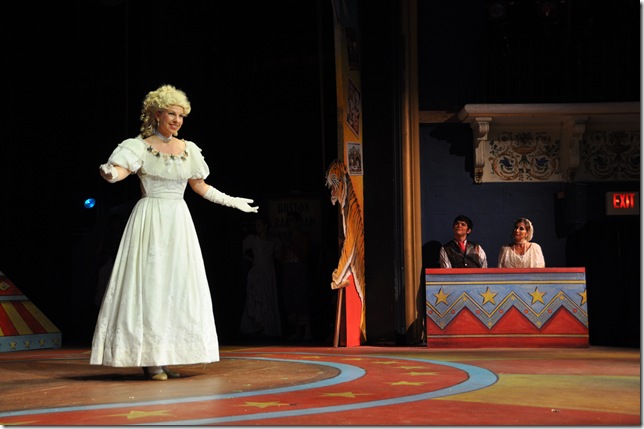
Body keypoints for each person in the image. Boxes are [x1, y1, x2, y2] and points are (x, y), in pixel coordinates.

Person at [90, 84, 258, 381]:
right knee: (151, 286)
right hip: (151, 219)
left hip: (179, 222)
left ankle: (167, 356)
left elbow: (200, 186)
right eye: (171, 113)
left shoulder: (188, 149)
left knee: (176, 287)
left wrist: (233, 202)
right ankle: (150, 359)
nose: (177, 119)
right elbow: (121, 170)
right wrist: (110, 173)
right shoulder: (139, 146)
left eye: (181, 115)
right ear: (157, 115)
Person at [239, 217, 282, 338]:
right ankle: (257, 326)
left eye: (259, 224)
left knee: (268, 296)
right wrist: (252, 260)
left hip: (268, 270)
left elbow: (278, 254)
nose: (257, 227)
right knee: (257, 296)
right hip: (257, 270)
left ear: (265, 226)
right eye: (256, 224)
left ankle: (267, 327)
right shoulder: (252, 240)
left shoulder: (273, 241)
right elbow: (242, 251)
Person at [279, 211, 313, 341]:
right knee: (290, 298)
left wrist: (290, 244)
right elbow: (281, 258)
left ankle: (307, 331)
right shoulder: (287, 238)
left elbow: (303, 256)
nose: (289, 223)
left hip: (299, 269)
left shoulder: (303, 237)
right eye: (288, 221)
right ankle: (297, 330)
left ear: (298, 222)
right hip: (287, 270)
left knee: (301, 297)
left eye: (292, 220)